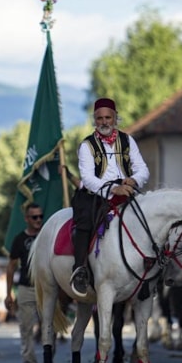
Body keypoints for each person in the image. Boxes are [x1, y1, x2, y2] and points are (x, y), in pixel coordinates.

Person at [69, 97, 150, 298]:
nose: (104, 122)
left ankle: (149, 272)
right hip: (95, 195)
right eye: (100, 118)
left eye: (108, 117)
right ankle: (79, 269)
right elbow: (87, 178)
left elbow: (143, 169)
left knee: (149, 218)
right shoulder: (87, 145)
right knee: (85, 223)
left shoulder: (128, 140)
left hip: (126, 192)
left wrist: (134, 180)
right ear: (94, 120)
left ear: (115, 118)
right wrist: (114, 189)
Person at [6, 202, 43, 363]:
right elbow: (11, 266)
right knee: (26, 328)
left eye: (41, 216)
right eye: (34, 217)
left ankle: (49, 361)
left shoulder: (47, 235)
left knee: (49, 328)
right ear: (27, 219)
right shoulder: (19, 239)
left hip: (47, 288)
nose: (38, 220)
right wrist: (8, 294)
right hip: (26, 288)